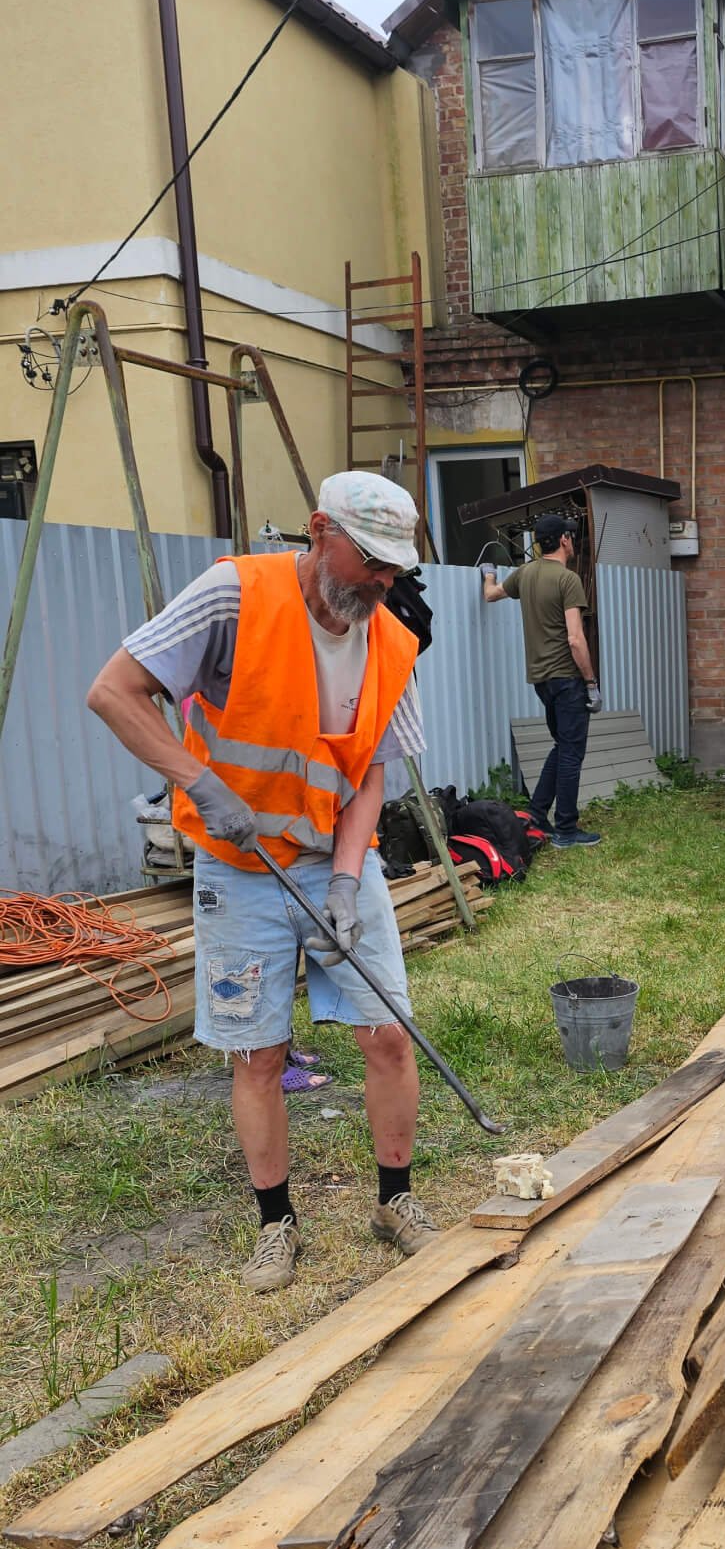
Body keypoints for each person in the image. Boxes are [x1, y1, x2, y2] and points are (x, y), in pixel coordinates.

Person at [86, 472, 439, 1291]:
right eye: (371, 562)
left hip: (332, 863)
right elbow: (114, 692)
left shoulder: (392, 642)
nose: (384, 581)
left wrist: (348, 882)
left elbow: (371, 780)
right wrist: (198, 782)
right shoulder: (232, 596)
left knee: (388, 1036)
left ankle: (395, 1200)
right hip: (241, 870)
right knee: (259, 1053)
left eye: (396, 568)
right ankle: (276, 1223)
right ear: (319, 531)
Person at [482, 510, 601, 849]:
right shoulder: (567, 580)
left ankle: (537, 813)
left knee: (562, 745)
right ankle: (566, 829)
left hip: (541, 680)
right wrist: (591, 683)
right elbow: (576, 639)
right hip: (567, 677)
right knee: (571, 752)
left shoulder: (525, 574)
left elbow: (491, 595)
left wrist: (488, 575)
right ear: (564, 540)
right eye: (571, 536)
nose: (573, 540)